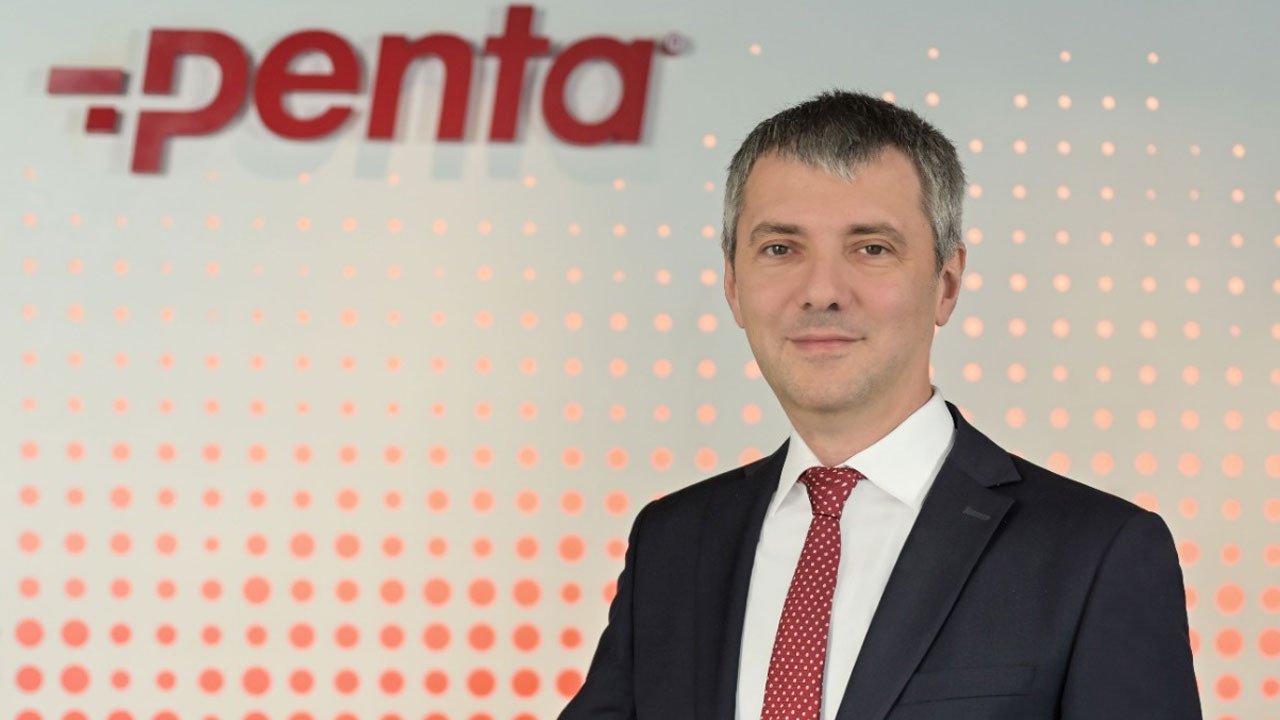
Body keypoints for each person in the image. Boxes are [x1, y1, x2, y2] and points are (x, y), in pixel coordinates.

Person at [557, 89, 1201, 720]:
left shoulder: (1097, 554)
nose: (822, 291)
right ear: (732, 284)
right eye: (780, 248)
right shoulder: (672, 542)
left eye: (871, 248)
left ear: (946, 283)